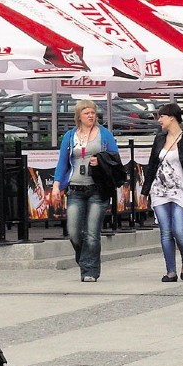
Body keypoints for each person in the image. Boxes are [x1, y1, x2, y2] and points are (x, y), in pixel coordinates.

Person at [51, 99, 119, 283]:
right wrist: (57, 185)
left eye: (93, 113)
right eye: (87, 113)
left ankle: (90, 270)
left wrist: (101, 161)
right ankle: (84, 259)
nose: (91, 116)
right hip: (75, 189)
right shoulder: (70, 136)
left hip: (97, 189)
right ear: (79, 116)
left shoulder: (104, 135)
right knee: (73, 231)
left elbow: (115, 159)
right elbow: (62, 162)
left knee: (92, 233)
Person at [141, 103, 183, 282]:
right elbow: (152, 165)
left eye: (161, 116)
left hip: (182, 190)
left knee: (179, 231)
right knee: (165, 232)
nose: (159, 120)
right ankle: (170, 271)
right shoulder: (159, 139)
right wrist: (145, 190)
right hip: (160, 190)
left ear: (172, 118)